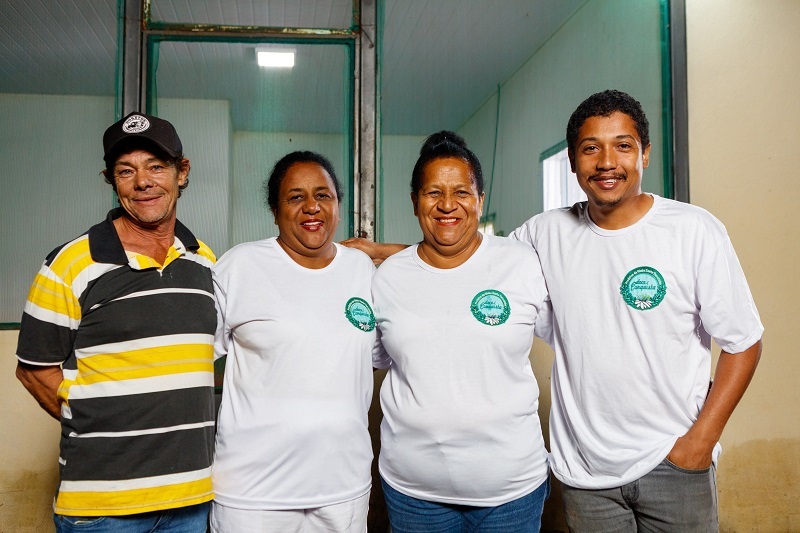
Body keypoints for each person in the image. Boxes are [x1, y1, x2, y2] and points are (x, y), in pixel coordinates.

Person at [345, 90, 763, 532]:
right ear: (572, 161)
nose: (606, 161)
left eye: (622, 145)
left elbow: (744, 342)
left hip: (674, 461)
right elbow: (460, 253)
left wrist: (698, 444)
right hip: (585, 472)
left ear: (645, 154)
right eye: (590, 148)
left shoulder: (693, 231)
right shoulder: (544, 235)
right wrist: (380, 252)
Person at [15, 112, 217, 531]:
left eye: (156, 167)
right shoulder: (69, 264)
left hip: (192, 500)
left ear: (183, 172)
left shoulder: (206, 262)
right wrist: (96, 422)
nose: (143, 182)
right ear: (111, 180)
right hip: (102, 508)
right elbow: (34, 371)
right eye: (127, 171)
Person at [370, 131, 550, 533]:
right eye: (433, 192)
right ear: (415, 201)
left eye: (462, 192)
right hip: (414, 494)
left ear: (480, 199)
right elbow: (372, 357)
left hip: (512, 493)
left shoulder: (522, 265)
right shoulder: (387, 278)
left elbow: (577, 337)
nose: (447, 204)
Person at [210, 151, 380, 533]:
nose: (311, 207)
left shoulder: (362, 270)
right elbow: (193, 356)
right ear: (275, 210)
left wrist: (381, 251)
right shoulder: (241, 266)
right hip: (253, 496)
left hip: (343, 489)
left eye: (323, 195)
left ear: (338, 206)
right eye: (295, 197)